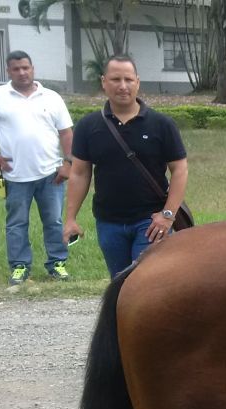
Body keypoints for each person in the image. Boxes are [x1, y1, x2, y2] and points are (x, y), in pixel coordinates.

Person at [63, 55, 189, 277]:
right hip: (108, 222)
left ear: (137, 82)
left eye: (128, 80)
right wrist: (71, 218)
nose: (123, 86)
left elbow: (180, 170)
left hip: (150, 221)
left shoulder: (162, 125)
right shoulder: (88, 126)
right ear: (104, 82)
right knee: (120, 282)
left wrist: (168, 215)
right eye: (115, 79)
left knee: (145, 281)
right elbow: (80, 174)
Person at [0, 50, 74, 285]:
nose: (22, 72)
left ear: (32, 69)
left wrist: (68, 163)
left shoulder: (51, 97)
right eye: (16, 69)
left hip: (51, 174)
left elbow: (66, 132)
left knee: (54, 221)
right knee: (16, 224)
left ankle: (57, 263)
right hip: (15, 175)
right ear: (8, 71)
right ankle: (19, 266)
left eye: (25, 68)